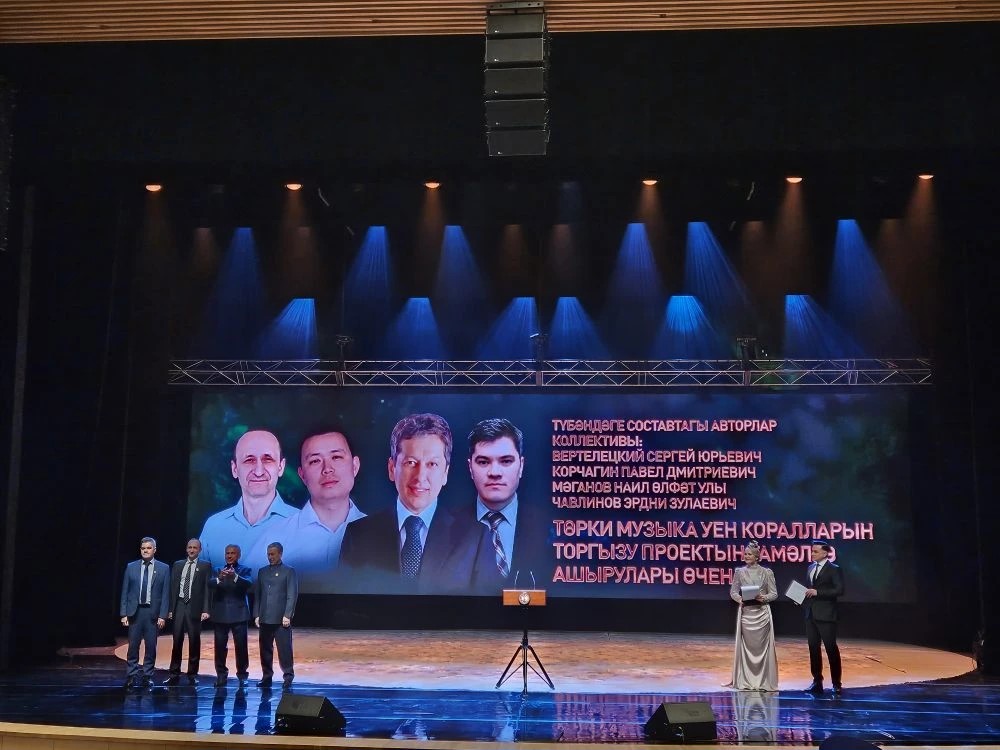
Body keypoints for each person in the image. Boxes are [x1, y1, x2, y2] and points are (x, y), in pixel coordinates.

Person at [339, 412, 491, 594]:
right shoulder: (358, 535)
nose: (420, 477)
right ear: (391, 468)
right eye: (411, 463)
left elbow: (489, 606)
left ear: (445, 473)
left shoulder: (475, 537)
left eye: (432, 464)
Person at [247, 427, 366, 593]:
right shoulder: (274, 538)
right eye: (315, 461)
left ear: (355, 466)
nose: (327, 469)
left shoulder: (381, 534)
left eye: (336, 457)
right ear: (302, 475)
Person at [198, 429, 298, 572]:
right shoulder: (213, 526)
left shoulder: (303, 525)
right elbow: (200, 581)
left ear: (281, 467)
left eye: (267, 459)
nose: (258, 472)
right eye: (249, 460)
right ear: (234, 469)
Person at [467, 417, 549, 591]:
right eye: (483, 462)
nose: (494, 472)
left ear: (521, 466)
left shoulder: (549, 526)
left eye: (505, 461)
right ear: (470, 468)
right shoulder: (443, 528)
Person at [119, 536, 170, 690]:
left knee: (151, 647)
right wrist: (123, 613)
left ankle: (147, 675)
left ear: (154, 550)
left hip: (152, 613)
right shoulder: (131, 567)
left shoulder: (164, 568)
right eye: (143, 548)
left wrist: (163, 615)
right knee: (133, 646)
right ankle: (131, 675)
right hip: (135, 612)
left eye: (148, 548)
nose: (145, 550)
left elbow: (166, 594)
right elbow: (125, 591)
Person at [727, 540, 778, 691]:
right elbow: (733, 592)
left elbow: (774, 594)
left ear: (757, 556)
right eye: (745, 554)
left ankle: (763, 681)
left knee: (761, 649)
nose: (746, 556)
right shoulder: (739, 572)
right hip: (746, 614)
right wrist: (740, 599)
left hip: (762, 614)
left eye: (749, 554)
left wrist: (764, 598)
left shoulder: (767, 572)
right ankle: (746, 680)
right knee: (747, 647)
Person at [163, 538, 212, 685]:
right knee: (177, 640)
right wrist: (170, 609)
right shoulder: (178, 565)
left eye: (195, 548)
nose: (192, 550)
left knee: (194, 640)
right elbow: (172, 588)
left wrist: (206, 609)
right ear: (186, 549)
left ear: (200, 550)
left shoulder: (205, 566)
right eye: (190, 547)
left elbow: (207, 589)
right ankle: (174, 673)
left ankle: (192, 674)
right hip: (179, 605)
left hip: (194, 607)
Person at [209, 544, 254, 689]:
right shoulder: (218, 570)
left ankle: (242, 676)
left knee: (241, 647)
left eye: (232, 553)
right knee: (220, 648)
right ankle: (221, 675)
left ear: (238, 555)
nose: (229, 555)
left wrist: (235, 577)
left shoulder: (245, 570)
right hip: (221, 614)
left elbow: (248, 584)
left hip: (239, 614)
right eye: (227, 553)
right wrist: (219, 578)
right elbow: (209, 584)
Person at [254, 542, 298, 689]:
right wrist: (257, 614)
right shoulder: (262, 571)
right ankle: (266, 677)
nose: (270, 557)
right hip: (265, 618)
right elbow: (258, 595)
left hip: (281, 620)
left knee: (285, 650)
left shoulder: (288, 571)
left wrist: (288, 615)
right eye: (268, 554)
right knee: (265, 651)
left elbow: (292, 594)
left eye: (273, 554)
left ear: (280, 554)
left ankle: (288, 677)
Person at [803, 540, 845, 696]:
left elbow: (839, 590)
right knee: (813, 648)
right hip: (811, 614)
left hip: (826, 615)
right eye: (812, 551)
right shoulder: (810, 568)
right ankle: (817, 681)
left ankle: (836, 683)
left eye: (815, 551)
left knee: (831, 648)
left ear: (825, 553)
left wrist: (818, 592)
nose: (812, 553)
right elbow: (810, 590)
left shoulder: (834, 569)